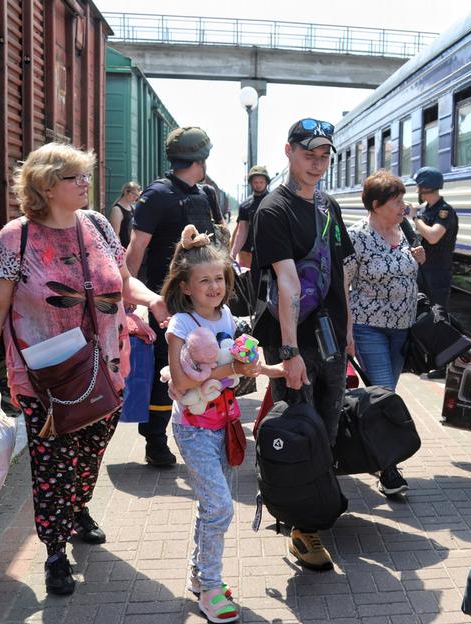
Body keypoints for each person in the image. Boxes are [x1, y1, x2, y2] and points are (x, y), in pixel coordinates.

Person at [0, 143, 167, 595]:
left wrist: (150, 298)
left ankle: (78, 509)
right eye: (74, 177)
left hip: (108, 365)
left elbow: (122, 279)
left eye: (85, 175)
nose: (86, 184)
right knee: (54, 464)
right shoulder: (14, 238)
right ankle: (55, 550)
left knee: (91, 453)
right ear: (44, 186)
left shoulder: (97, 225)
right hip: (46, 376)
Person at [161, 226, 282, 623]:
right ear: (186, 286)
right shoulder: (180, 324)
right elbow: (181, 381)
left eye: (219, 278)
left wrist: (264, 367)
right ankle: (211, 588)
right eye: (204, 280)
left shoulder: (228, 315)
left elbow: (236, 362)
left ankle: (201, 576)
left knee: (210, 506)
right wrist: (232, 366)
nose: (214, 286)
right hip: (194, 427)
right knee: (220, 507)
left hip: (224, 422)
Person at [252, 118, 352, 572]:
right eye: (309, 154)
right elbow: (287, 283)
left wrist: (348, 331)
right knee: (298, 426)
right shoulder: (274, 209)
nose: (317, 163)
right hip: (292, 339)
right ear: (289, 151)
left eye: (324, 156)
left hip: (330, 336)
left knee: (327, 425)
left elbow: (339, 273)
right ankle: (300, 528)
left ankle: (313, 504)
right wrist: (289, 355)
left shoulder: (329, 206)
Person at [127, 126, 225, 467]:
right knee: (162, 371)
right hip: (164, 302)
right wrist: (131, 297)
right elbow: (136, 248)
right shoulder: (157, 195)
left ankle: (205, 431)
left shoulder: (203, 195)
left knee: (206, 365)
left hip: (199, 301)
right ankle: (155, 440)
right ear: (201, 157)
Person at [345, 170, 426, 496]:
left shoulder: (402, 231)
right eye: (397, 202)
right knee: (383, 396)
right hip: (370, 328)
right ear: (376, 205)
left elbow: (406, 269)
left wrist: (418, 259)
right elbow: (343, 283)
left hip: (402, 328)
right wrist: (347, 329)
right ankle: (387, 468)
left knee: (387, 392)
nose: (404, 207)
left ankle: (375, 453)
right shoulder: (357, 236)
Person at [410, 166, 457, 309]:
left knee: (437, 315)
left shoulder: (445, 210)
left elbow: (433, 237)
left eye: (419, 185)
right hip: (423, 269)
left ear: (425, 187)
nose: (417, 189)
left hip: (437, 271)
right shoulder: (426, 209)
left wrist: (414, 217)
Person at [233, 164, 270, 270]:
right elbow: (241, 231)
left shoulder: (274, 202)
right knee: (248, 283)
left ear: (266, 182)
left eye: (261, 182)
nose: (258, 185)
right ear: (251, 183)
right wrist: (233, 253)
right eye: (255, 182)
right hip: (247, 252)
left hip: (268, 252)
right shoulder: (245, 205)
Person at [107, 181, 140, 248]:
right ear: (126, 191)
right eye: (133, 194)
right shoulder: (117, 209)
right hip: (122, 249)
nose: (135, 197)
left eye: (137, 196)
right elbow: (115, 234)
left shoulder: (132, 208)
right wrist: (120, 252)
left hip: (130, 248)